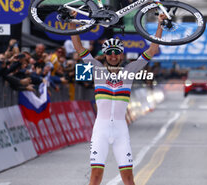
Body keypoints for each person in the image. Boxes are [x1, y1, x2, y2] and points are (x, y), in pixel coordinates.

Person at [70, 11, 166, 185]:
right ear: (105, 55)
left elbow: (152, 49)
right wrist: (71, 23)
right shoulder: (97, 69)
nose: (113, 56)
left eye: (116, 53)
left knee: (128, 179)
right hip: (101, 130)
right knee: (96, 177)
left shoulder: (130, 70)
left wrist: (160, 25)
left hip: (121, 131)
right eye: (109, 53)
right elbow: (78, 47)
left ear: (121, 55)